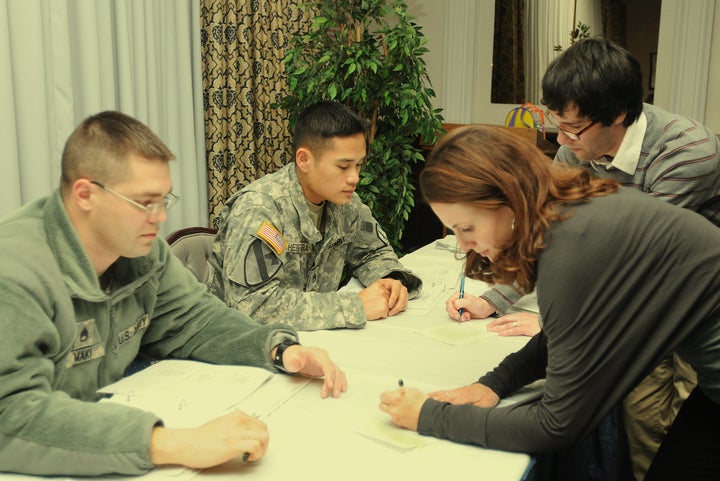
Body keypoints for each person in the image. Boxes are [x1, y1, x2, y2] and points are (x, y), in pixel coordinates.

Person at [0, 111, 347, 477]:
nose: (160, 218)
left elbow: (195, 319)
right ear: (86, 194)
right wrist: (173, 444)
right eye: (144, 202)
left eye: (164, 200)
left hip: (99, 441)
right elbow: (9, 413)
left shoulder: (141, 251)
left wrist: (278, 349)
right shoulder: (15, 271)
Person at [444, 38, 720, 480]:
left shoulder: (690, 152)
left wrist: (565, 319)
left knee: (660, 421)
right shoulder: (578, 149)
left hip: (682, 302)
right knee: (646, 430)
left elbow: (630, 260)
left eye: (573, 129)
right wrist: (496, 299)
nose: (561, 140)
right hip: (665, 304)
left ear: (618, 115)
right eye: (557, 125)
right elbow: (546, 232)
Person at [379, 124, 720, 481]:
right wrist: (496, 382)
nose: (463, 246)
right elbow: (569, 330)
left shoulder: (570, 249)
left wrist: (428, 416)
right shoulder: (571, 212)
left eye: (467, 228)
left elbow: (557, 426)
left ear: (508, 200)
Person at [209, 100, 422, 331]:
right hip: (242, 349)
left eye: (359, 165)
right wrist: (354, 307)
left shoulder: (346, 205)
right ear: (304, 160)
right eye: (343, 167)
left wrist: (392, 280)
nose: (354, 178)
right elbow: (253, 307)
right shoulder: (259, 209)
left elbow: (373, 253)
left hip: (310, 342)